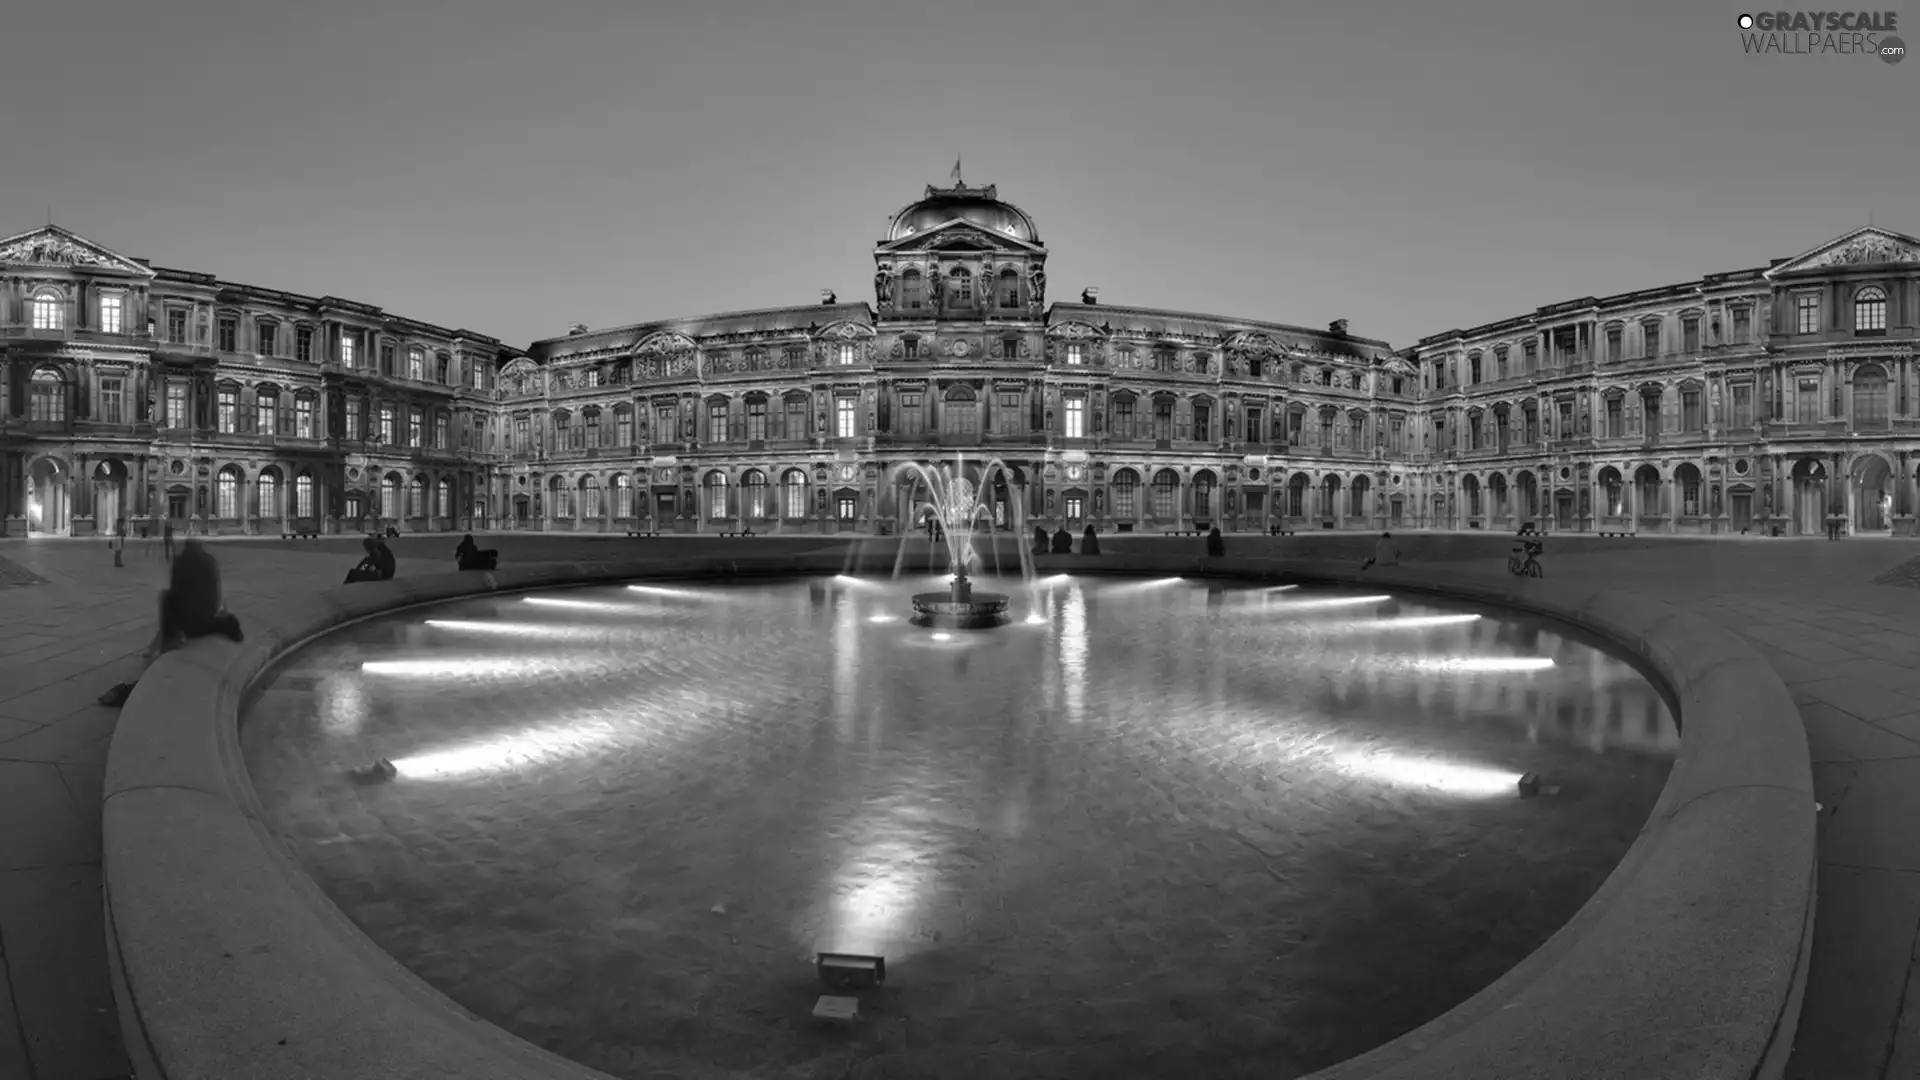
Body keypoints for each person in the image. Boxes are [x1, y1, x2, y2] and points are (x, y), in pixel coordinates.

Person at [98, 540, 243, 707]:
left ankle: (169, 640)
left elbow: (175, 594)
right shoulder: (211, 561)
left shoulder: (181, 562)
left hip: (189, 626)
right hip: (208, 621)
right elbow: (217, 597)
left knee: (165, 597)